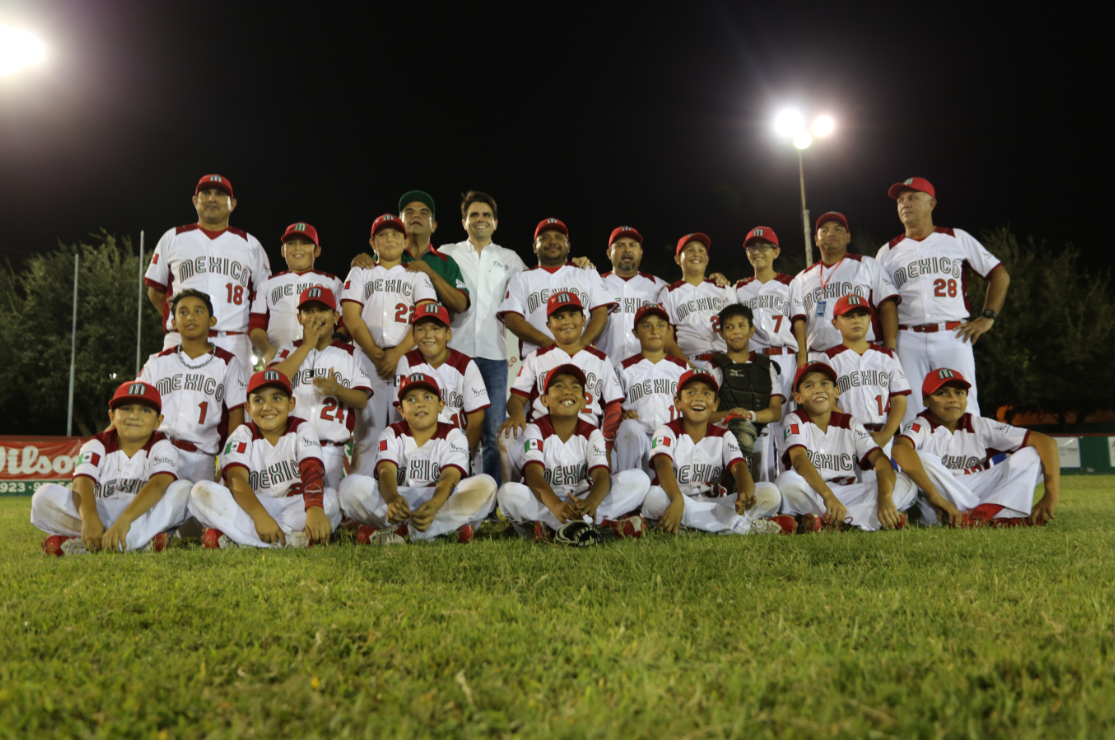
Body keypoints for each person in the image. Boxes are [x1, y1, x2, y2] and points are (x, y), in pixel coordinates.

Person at [875, 178, 1010, 423]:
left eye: (913, 197)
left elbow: (999, 273)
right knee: (911, 412)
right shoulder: (887, 252)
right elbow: (881, 304)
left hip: (954, 334)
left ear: (931, 203)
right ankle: (917, 462)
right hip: (907, 339)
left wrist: (987, 317)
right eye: (900, 200)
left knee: (964, 408)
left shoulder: (956, 238)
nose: (905, 203)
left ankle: (970, 461)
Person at [33, 381, 191, 555]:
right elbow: (82, 482)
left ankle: (90, 545)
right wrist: (89, 519)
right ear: (112, 416)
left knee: (184, 490)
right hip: (101, 514)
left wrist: (125, 520)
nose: (134, 415)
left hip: (140, 516)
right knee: (43, 496)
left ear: (158, 421)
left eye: (145, 410)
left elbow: (160, 484)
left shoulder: (162, 446)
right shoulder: (97, 443)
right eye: (126, 409)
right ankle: (137, 542)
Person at [188, 369, 341, 549]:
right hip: (253, 508)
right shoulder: (242, 434)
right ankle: (291, 540)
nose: (267, 407)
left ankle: (240, 540)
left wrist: (314, 508)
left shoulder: (301, 428)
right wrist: (260, 516)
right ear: (247, 407)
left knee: (332, 500)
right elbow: (236, 479)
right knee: (199, 492)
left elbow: (311, 468)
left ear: (291, 403)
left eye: (276, 398)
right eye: (258, 400)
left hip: (293, 506)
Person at [338, 373, 497, 545]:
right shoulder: (392, 432)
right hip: (401, 501)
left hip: (441, 499)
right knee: (349, 487)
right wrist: (392, 498)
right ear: (401, 410)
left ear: (440, 406)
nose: (420, 403)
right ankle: (443, 531)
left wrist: (435, 504)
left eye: (428, 397)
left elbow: (449, 477)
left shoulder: (454, 434)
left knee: (487, 485)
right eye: (411, 400)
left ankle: (404, 532)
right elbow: (386, 471)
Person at [496, 365, 650, 540]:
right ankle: (602, 527)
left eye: (575, 387)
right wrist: (556, 506)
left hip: (582, 501)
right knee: (507, 493)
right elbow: (533, 475)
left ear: (584, 401)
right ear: (545, 400)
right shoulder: (535, 430)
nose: (567, 390)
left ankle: (550, 529)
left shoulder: (592, 432)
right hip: (547, 502)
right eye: (559, 386)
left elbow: (601, 474)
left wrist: (592, 502)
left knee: (640, 479)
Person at [892, 368, 1059, 528]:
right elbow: (900, 449)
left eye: (959, 393)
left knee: (1032, 454)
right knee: (921, 457)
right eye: (942, 393)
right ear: (926, 400)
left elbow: (1046, 442)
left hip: (978, 493)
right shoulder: (921, 425)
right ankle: (998, 516)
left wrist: (1051, 495)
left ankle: (984, 515)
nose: (953, 398)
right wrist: (935, 496)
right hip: (938, 503)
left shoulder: (979, 424)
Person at [439, 192, 527, 484]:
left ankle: (488, 501)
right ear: (464, 222)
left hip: (494, 356)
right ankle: (449, 495)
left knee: (492, 432)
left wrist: (575, 269)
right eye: (474, 215)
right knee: (450, 428)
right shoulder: (447, 252)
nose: (480, 219)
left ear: (496, 223)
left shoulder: (509, 258)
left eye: (486, 215)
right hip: (453, 352)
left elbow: (536, 289)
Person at [341, 214, 438, 475]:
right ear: (372, 242)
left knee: (409, 427)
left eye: (396, 234)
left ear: (406, 240)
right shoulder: (360, 271)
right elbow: (350, 317)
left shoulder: (416, 273)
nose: (390, 239)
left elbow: (425, 319)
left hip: (407, 356)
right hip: (367, 359)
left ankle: (407, 492)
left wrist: (396, 353)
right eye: (382, 234)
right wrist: (376, 353)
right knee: (367, 431)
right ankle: (359, 496)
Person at [144, 174, 271, 373]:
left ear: (232, 204)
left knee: (233, 404)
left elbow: (264, 297)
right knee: (175, 401)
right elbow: (155, 290)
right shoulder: (173, 237)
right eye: (206, 193)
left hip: (234, 341)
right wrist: (181, 320)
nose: (212, 198)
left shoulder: (250, 244)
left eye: (220, 194)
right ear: (195, 201)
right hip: (180, 340)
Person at [640, 369, 786, 535]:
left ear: (716, 404)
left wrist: (745, 493)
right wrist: (677, 499)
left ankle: (693, 528)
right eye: (691, 392)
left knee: (771, 494)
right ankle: (741, 526)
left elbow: (739, 467)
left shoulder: (724, 435)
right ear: (677, 402)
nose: (699, 397)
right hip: (675, 500)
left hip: (715, 504)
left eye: (707, 393)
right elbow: (662, 466)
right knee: (653, 497)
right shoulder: (667, 430)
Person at [776, 362, 917, 532]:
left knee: (906, 483)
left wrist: (885, 498)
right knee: (786, 482)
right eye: (809, 385)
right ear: (798, 397)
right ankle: (868, 520)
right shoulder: (794, 419)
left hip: (847, 494)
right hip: (814, 493)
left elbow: (879, 459)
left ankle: (827, 522)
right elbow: (798, 459)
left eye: (825, 383)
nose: (818, 389)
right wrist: (828, 496)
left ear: (836, 392)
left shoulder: (850, 423)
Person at [267, 287, 372, 489]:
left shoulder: (350, 353)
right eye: (308, 311)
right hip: (289, 445)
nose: (315, 316)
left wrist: (338, 389)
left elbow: (362, 400)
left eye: (322, 310)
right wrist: (307, 346)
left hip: (330, 449)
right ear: (299, 318)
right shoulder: (289, 348)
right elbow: (273, 381)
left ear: (335, 316)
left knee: (326, 505)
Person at [139, 289, 247, 483]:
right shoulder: (156, 362)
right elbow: (136, 406)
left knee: (198, 508)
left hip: (202, 459)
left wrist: (229, 461)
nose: (190, 317)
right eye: (182, 312)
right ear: (173, 322)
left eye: (198, 311)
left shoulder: (228, 363)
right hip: (158, 451)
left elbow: (236, 417)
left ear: (212, 321)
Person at [500, 292, 623, 448]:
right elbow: (516, 399)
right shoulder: (535, 357)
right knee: (509, 434)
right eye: (558, 317)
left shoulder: (600, 359)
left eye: (572, 315)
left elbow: (613, 406)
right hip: (542, 436)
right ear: (549, 325)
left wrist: (606, 444)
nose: (566, 321)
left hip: (587, 438)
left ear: (584, 319)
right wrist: (517, 415)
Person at [811, 295, 911, 468]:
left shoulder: (887, 356)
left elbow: (899, 400)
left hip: (883, 435)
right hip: (846, 437)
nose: (856, 320)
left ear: (870, 319)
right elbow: (828, 403)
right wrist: (856, 433)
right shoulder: (828, 358)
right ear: (835, 323)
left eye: (861, 315)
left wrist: (887, 434)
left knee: (888, 487)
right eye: (848, 316)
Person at [497, 218, 617, 360]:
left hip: (582, 359)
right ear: (535, 247)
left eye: (559, 237)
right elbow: (512, 319)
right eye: (545, 238)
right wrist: (550, 345)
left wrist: (580, 345)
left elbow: (601, 313)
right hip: (537, 360)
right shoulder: (521, 278)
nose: (552, 241)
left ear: (568, 247)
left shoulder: (586, 272)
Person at [790, 212, 900, 364]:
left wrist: (890, 349)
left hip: (862, 354)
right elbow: (796, 324)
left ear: (848, 237)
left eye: (838, 229)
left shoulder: (866, 265)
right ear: (816, 240)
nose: (831, 233)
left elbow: (888, 306)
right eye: (824, 230)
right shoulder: (801, 278)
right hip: (817, 357)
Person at [692, 304, 785, 480]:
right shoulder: (713, 367)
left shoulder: (767, 366)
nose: (736, 331)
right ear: (721, 333)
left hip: (761, 440)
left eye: (741, 326)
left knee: (763, 494)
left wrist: (748, 415)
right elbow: (701, 414)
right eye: (729, 327)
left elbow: (776, 412)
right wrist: (728, 414)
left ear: (751, 331)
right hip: (724, 438)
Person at [393, 303, 490, 459]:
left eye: (435, 329)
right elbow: (404, 413)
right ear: (413, 335)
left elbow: (476, 420)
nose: (428, 335)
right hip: (420, 450)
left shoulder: (466, 365)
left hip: (459, 446)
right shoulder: (406, 362)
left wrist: (465, 457)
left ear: (448, 334)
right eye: (421, 329)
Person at [349, 190, 470, 315]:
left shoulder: (446, 262)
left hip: (428, 334)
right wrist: (358, 264)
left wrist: (431, 274)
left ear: (433, 226)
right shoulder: (382, 256)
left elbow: (460, 305)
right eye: (409, 212)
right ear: (400, 221)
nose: (416, 215)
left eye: (424, 212)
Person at [249, 222, 344, 364]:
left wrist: (335, 349)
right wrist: (267, 350)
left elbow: (343, 324)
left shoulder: (332, 282)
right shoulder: (267, 284)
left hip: (321, 358)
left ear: (317, 251)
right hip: (279, 358)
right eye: (291, 243)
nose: (297, 248)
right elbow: (256, 326)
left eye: (305, 243)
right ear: (283, 250)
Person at [613, 305, 690, 474]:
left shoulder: (682, 367)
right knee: (628, 426)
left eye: (661, 326)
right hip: (640, 439)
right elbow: (613, 406)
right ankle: (627, 482)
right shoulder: (624, 368)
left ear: (669, 331)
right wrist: (622, 415)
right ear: (635, 333)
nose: (655, 331)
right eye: (647, 326)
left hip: (674, 438)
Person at [731, 227, 798, 404]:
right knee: (760, 422)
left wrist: (803, 363)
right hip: (752, 359)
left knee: (786, 419)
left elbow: (799, 324)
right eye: (751, 248)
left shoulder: (789, 283)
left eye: (763, 246)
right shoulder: (738, 289)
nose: (757, 251)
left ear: (776, 252)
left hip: (786, 358)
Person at [597, 226, 670, 367]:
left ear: (640, 253)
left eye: (633, 245)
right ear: (608, 253)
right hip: (606, 368)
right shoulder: (597, 283)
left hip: (647, 371)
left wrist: (715, 282)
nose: (627, 250)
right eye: (620, 245)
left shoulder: (659, 285)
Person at [657, 233, 735, 362]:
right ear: (677, 259)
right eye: (690, 250)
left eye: (701, 250)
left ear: (707, 259)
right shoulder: (669, 293)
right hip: (692, 361)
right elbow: (666, 340)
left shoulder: (723, 288)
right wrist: (689, 368)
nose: (696, 253)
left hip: (727, 360)